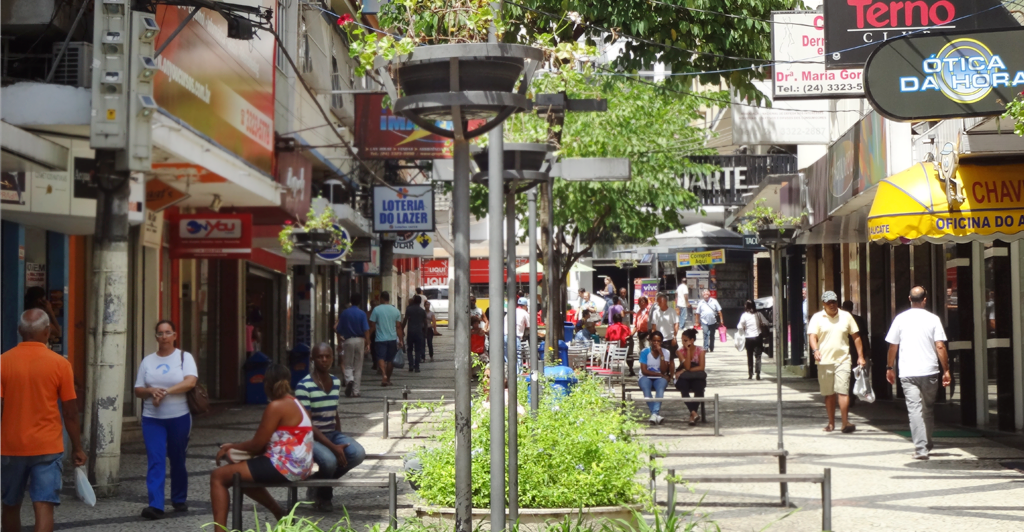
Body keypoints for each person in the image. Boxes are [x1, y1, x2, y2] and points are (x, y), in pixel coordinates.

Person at [2, 310, 86, 532]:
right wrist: (77, 448)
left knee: (10, 505)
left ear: (20, 331)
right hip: (47, 447)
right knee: (44, 506)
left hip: (10, 446)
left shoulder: (3, 362)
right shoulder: (60, 364)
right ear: (47, 332)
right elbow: (70, 412)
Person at [210, 364, 314, 529]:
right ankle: (279, 512)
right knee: (240, 472)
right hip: (301, 465)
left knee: (218, 476)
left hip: (286, 466)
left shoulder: (276, 406)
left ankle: (219, 530)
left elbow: (257, 444)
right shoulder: (295, 402)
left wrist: (230, 446)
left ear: (267, 384)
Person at [134, 320, 199, 519]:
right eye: (160, 333)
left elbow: (190, 381)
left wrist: (165, 392)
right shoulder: (147, 361)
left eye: (167, 332)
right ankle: (156, 505)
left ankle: (179, 498)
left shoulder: (184, 357)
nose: (164, 337)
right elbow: (138, 390)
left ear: (174, 335)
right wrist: (150, 390)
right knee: (156, 459)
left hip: (179, 417)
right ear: (156, 337)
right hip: (152, 419)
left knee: (178, 459)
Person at [296, 343, 366, 510]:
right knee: (329, 460)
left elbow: (335, 412)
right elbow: (307, 425)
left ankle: (317, 482)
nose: (324, 360)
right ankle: (325, 495)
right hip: (310, 437)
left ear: (333, 358)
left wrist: (339, 437)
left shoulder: (335, 382)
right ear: (312, 359)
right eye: (320, 357)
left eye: (327, 356)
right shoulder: (303, 386)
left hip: (331, 433)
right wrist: (334, 448)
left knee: (358, 453)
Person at [885, 287, 951, 460]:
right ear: (925, 299)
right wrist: (946, 370)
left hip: (907, 372)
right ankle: (926, 443)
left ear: (909, 298)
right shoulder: (933, 319)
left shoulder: (900, 319)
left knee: (914, 410)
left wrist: (889, 367)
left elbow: (893, 346)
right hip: (930, 371)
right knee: (927, 409)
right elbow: (940, 346)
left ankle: (921, 448)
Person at [807, 290, 866, 434]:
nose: (832, 305)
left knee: (843, 392)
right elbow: (812, 336)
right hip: (824, 361)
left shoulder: (846, 316)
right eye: (829, 303)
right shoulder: (817, 317)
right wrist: (815, 351)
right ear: (823, 304)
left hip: (843, 359)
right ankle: (831, 423)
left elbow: (856, 337)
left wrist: (861, 356)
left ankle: (845, 423)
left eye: (834, 302)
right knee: (829, 394)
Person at [336, 293, 371, 397]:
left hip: (348, 341)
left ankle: (349, 380)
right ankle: (356, 391)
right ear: (360, 302)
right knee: (358, 366)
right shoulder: (362, 314)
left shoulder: (344, 313)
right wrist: (368, 342)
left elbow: (338, 330)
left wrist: (339, 342)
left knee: (348, 365)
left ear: (351, 301)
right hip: (360, 340)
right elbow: (366, 329)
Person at [638, 331, 673, 425]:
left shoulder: (666, 352)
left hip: (659, 377)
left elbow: (663, 371)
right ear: (650, 341)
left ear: (661, 342)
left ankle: (654, 414)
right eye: (654, 341)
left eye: (658, 341)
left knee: (660, 388)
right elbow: (644, 370)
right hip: (645, 376)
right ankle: (656, 414)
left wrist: (661, 355)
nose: (656, 343)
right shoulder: (645, 352)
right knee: (646, 388)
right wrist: (660, 375)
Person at [674, 328, 707, 426]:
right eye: (682, 340)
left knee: (699, 388)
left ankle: (692, 414)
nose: (683, 343)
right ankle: (693, 413)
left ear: (692, 340)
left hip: (696, 376)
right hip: (685, 378)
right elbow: (687, 365)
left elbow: (701, 367)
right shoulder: (680, 351)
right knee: (683, 388)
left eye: (685, 340)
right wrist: (687, 351)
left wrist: (684, 370)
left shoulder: (700, 350)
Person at [369, 291, 403, 386]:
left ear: (382, 298)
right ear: (389, 299)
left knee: (380, 357)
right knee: (390, 360)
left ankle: (383, 374)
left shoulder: (376, 310)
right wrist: (400, 339)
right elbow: (398, 327)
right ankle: (388, 379)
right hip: (392, 338)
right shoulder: (395, 310)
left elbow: (372, 325)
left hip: (380, 339)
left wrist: (367, 338)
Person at [841, 300, 870, 403]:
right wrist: (867, 350)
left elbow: (863, 335)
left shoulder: (839, 320)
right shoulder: (858, 319)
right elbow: (863, 336)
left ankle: (847, 394)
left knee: (846, 373)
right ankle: (851, 395)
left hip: (845, 350)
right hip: (854, 350)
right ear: (852, 308)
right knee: (854, 372)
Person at [737, 300, 764, 380]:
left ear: (746, 306)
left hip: (748, 338)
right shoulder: (759, 314)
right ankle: (758, 373)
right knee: (758, 356)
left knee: (750, 356)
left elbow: (740, 326)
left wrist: (744, 328)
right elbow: (765, 322)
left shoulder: (744, 315)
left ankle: (750, 373)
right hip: (758, 337)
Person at [403, 295, 427, 373]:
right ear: (420, 302)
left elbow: (405, 320)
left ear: (413, 301)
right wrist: (425, 333)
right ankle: (417, 367)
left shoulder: (409, 309)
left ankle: (410, 365)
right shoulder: (422, 311)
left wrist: (402, 329)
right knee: (418, 350)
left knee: (409, 349)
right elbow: (425, 323)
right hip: (419, 332)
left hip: (410, 332)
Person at [630, 296, 652, 377]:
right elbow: (636, 325)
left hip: (647, 334)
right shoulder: (638, 312)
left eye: (643, 302)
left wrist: (651, 334)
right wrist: (631, 334)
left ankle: (649, 370)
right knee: (640, 353)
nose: (641, 304)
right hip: (639, 335)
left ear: (646, 303)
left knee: (648, 352)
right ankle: (643, 371)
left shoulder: (649, 311)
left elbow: (652, 323)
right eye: (640, 302)